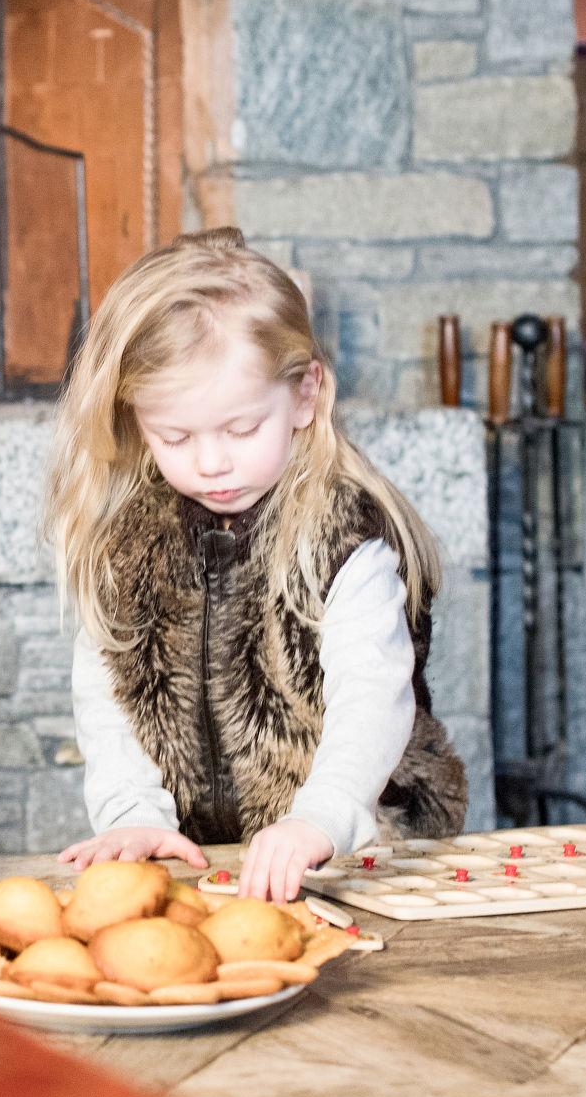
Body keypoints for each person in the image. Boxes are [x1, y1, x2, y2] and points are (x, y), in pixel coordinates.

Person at [45, 228, 467, 904]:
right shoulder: (128, 545)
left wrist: (319, 818)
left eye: (241, 430)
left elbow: (373, 700)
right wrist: (132, 816)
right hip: (203, 864)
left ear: (304, 394)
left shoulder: (345, 538)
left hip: (356, 854)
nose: (211, 462)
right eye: (175, 436)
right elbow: (108, 697)